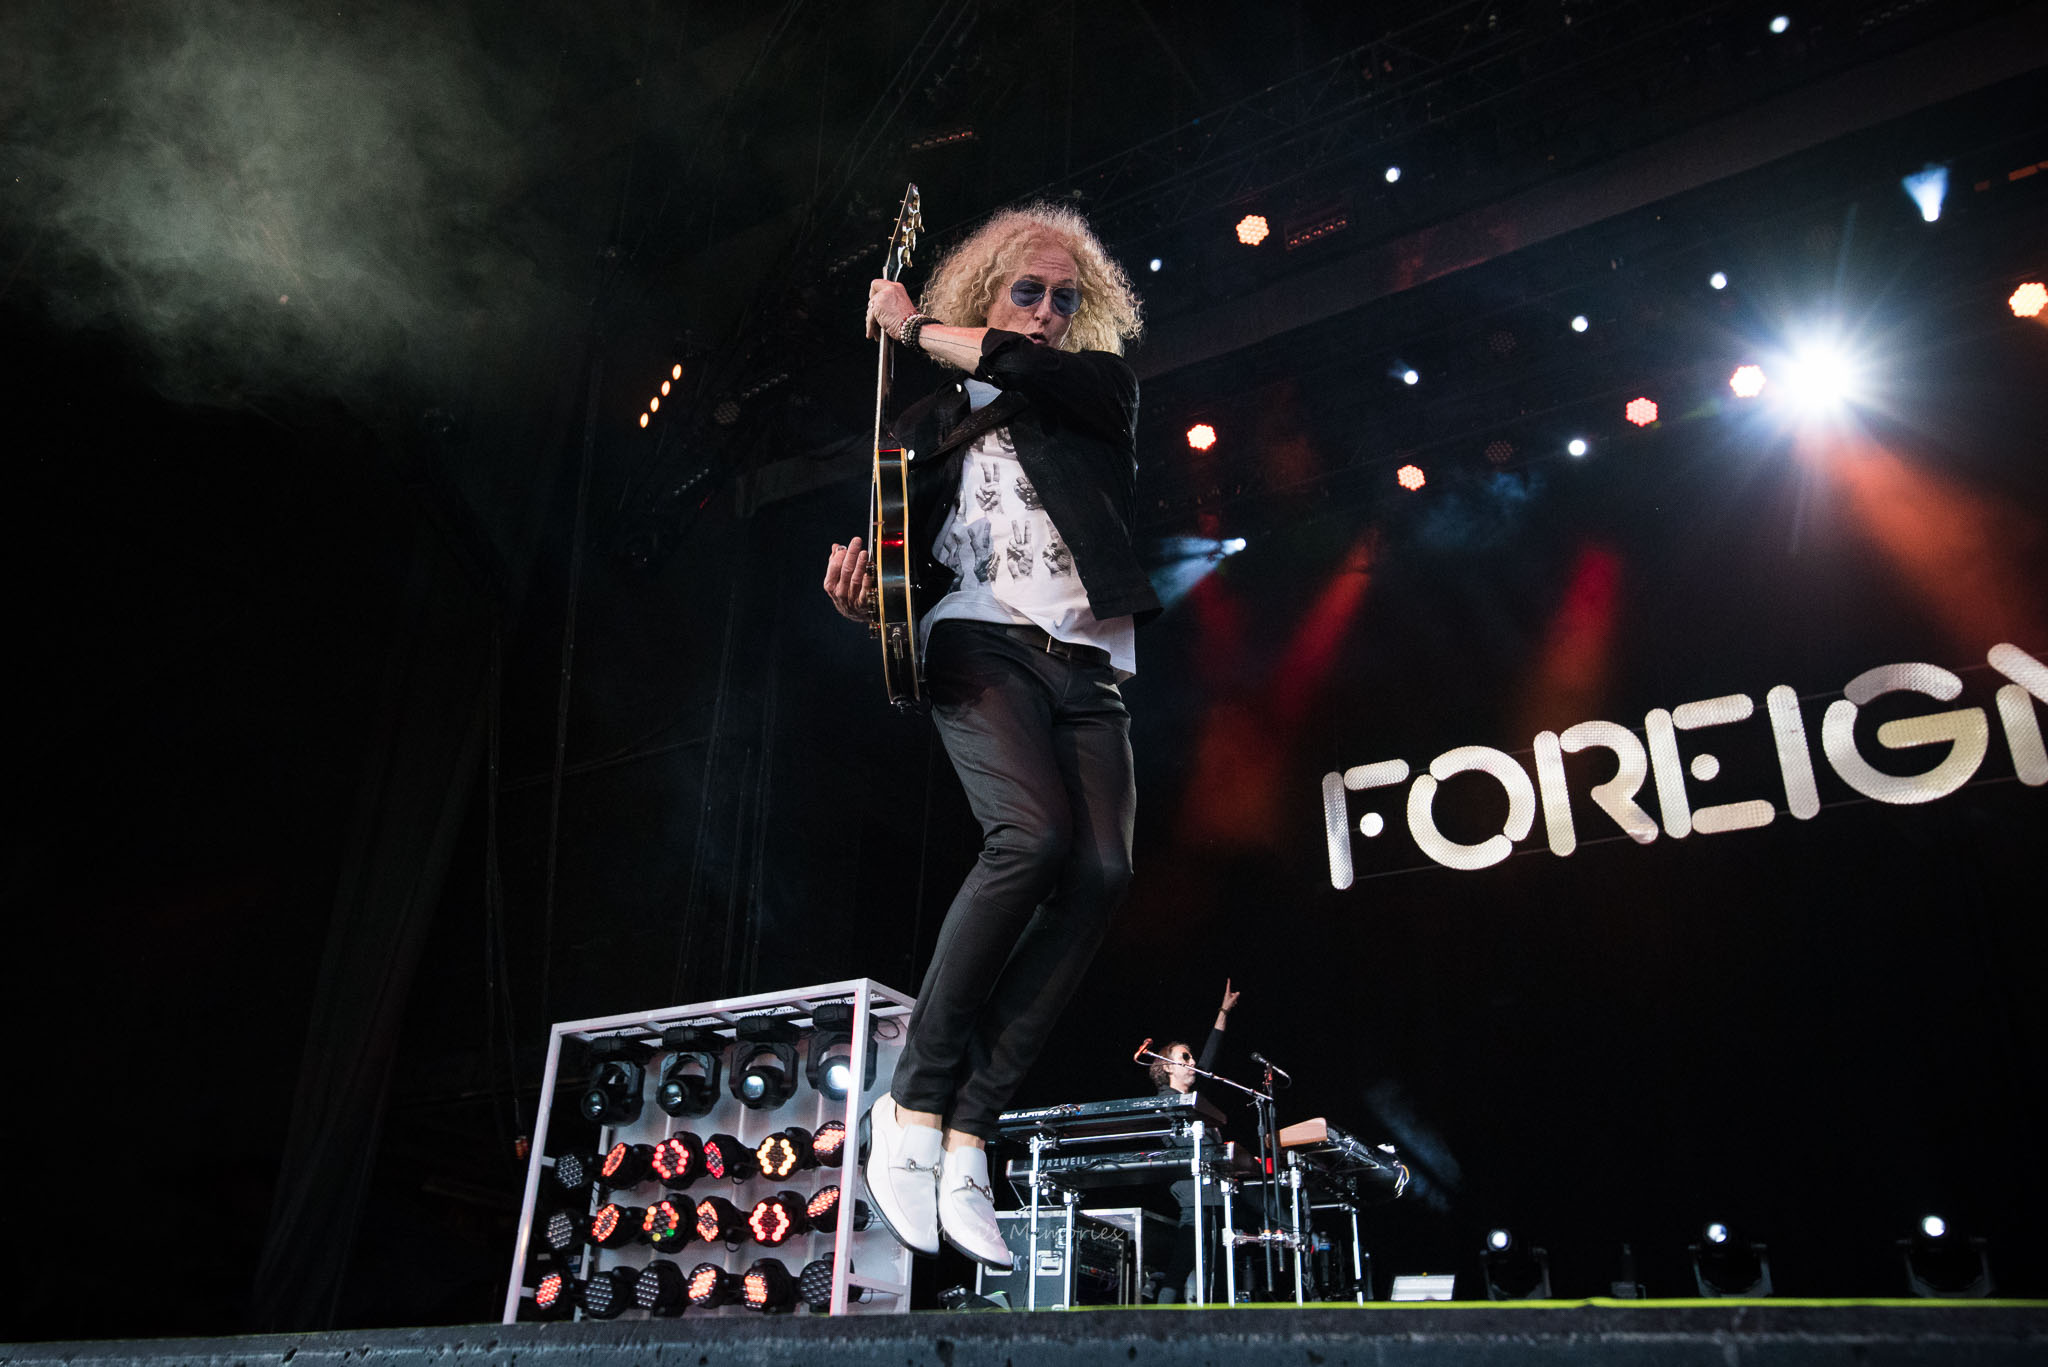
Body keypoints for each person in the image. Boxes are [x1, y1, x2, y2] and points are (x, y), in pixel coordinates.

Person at [822, 203, 1152, 1270]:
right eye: (1028, 292)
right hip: (977, 641)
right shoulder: (922, 424)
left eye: (1064, 297)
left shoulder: (1096, 391)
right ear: (986, 293)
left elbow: (1023, 366)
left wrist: (911, 324)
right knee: (1031, 837)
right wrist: (865, 602)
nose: (1047, 311)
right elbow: (902, 569)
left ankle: (968, 1129)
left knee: (1101, 869)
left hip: (1085, 660)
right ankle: (912, 1103)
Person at [1151, 979, 1240, 1301]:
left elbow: (1209, 1060)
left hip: (1216, 1191)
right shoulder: (1165, 1102)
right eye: (1185, 1058)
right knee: (1182, 1264)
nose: (1192, 1063)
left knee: (1218, 1267)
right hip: (1194, 1193)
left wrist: (1223, 1013)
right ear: (1167, 1067)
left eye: (1191, 1058)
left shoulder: (1192, 1100)